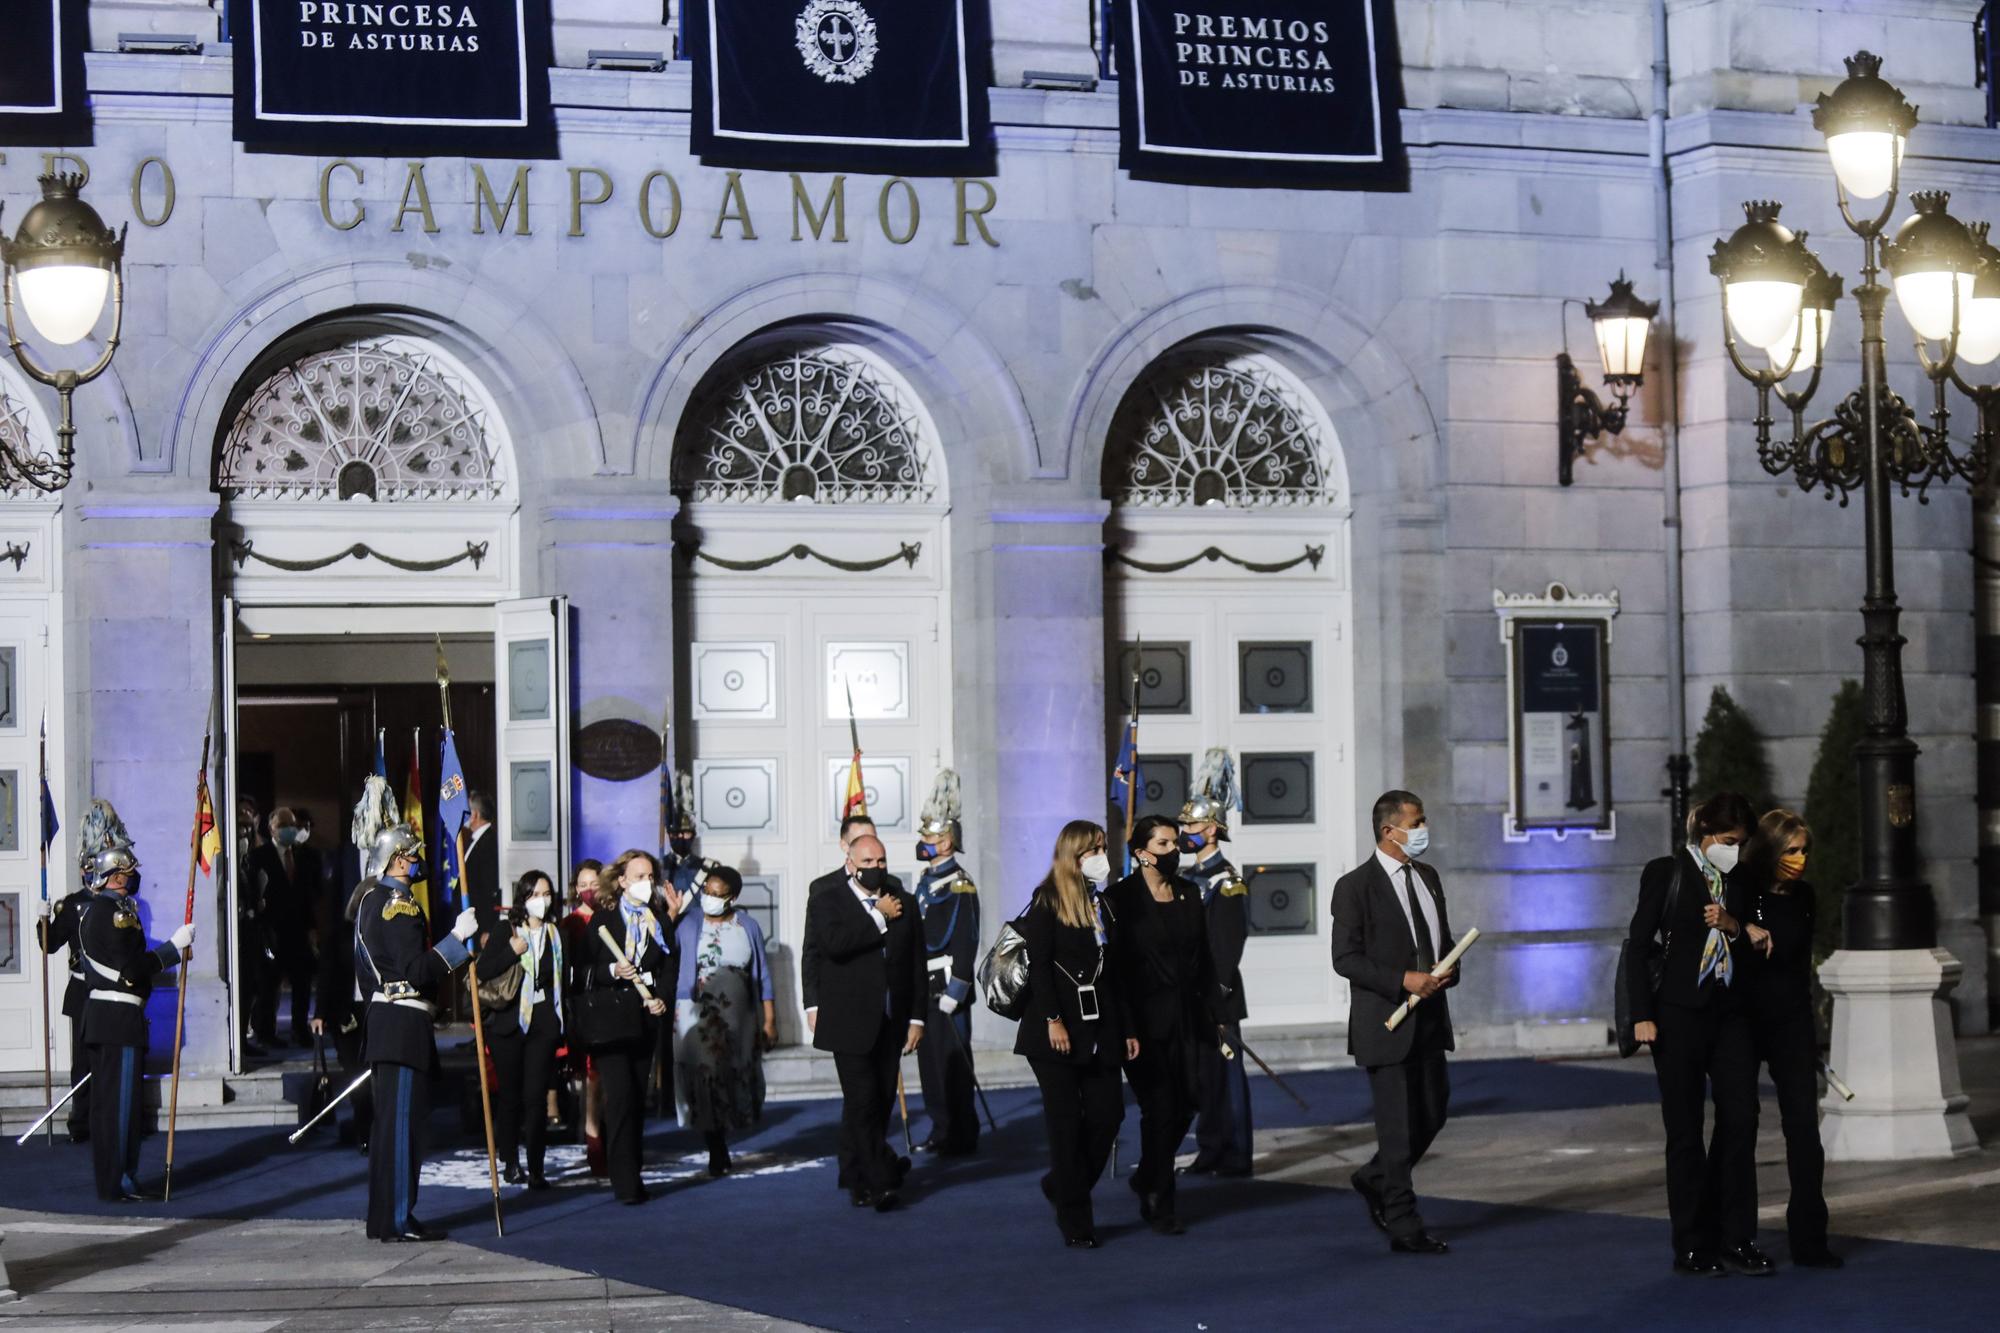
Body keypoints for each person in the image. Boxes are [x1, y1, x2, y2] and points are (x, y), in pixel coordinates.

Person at [1625, 792, 1769, 1277]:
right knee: (1684, 1130)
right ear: (1705, 832)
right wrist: (1641, 1014)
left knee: (1742, 1119)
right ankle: (1691, 1243)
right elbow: (1638, 944)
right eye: (1729, 841)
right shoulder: (1666, 873)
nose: (1735, 850)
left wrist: (1734, 925)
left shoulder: (1742, 880)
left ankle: (1737, 1237)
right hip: (1678, 1014)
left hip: (1730, 1013)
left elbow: (1752, 948)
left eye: (1741, 843)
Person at [1331, 789, 1461, 1256]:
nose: (1424, 830)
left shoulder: (1427, 875)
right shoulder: (1355, 886)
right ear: (1390, 830)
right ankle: (1404, 1223)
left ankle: (1373, 1177)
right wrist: (1403, 979)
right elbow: (1345, 958)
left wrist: (1448, 970)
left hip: (1429, 1019)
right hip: (1386, 1021)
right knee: (1397, 1128)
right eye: (1418, 822)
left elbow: (1439, 939)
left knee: (1433, 1111)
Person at [356, 824, 479, 1241]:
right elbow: (413, 972)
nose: (417, 859)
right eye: (411, 854)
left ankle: (385, 1218)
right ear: (396, 861)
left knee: (390, 1129)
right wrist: (457, 941)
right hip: (402, 1025)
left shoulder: (371, 899)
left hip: (389, 1024)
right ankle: (395, 1219)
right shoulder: (399, 904)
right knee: (402, 1132)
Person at [1018, 820, 1136, 1248]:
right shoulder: (1047, 900)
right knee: (1065, 1126)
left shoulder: (1103, 903)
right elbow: (1040, 967)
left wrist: (1126, 1029)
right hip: (1055, 1031)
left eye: (1104, 847)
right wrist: (1053, 1019)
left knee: (1108, 1116)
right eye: (1094, 850)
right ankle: (1077, 1222)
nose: (1102, 857)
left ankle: (1063, 1185)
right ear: (1074, 855)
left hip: (1101, 1028)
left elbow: (1116, 974)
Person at [1106, 813, 1224, 1236]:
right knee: (1160, 1108)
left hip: (1189, 1020)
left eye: (1175, 843)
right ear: (1141, 854)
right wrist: (1125, 1027)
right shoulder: (1119, 898)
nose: (1174, 851)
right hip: (1142, 1025)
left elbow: (1204, 960)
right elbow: (1115, 972)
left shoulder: (1190, 894)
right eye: (1163, 845)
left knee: (1190, 1101)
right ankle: (1159, 1197)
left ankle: (1148, 1174)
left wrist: (1217, 1014)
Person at [801, 832, 924, 1211]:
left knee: (881, 1100)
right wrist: (878, 917)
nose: (876, 868)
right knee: (863, 1100)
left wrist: (917, 1017)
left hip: (891, 1020)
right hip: (848, 1020)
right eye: (868, 862)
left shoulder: (904, 901)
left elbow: (915, 963)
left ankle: (857, 1174)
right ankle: (881, 1180)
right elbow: (833, 946)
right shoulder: (827, 901)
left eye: (882, 861)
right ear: (851, 863)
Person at [1742, 809, 1841, 1269]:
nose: (1800, 859)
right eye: (1791, 851)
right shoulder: (1742, 891)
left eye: (1804, 851)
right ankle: (1735, 1238)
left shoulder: (1804, 896)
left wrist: (1809, 1034)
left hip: (1791, 1021)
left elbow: (1799, 965)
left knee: (1804, 1130)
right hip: (1743, 1020)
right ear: (1770, 850)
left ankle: (1809, 1239)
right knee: (1737, 1128)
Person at [77, 844, 193, 1201]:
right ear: (115, 877)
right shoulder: (111, 913)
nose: (132, 878)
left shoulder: (110, 909)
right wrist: (173, 949)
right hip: (117, 1019)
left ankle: (118, 1178)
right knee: (119, 1109)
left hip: (113, 1019)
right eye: (127, 872)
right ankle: (118, 1181)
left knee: (115, 1107)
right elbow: (131, 970)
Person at [571, 849, 671, 1205]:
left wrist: (662, 1000)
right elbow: (580, 972)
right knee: (620, 1097)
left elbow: (668, 968)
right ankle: (624, 1180)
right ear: (623, 881)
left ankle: (633, 1169)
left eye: (650, 877)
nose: (646, 883)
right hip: (610, 1022)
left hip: (645, 1021)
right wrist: (611, 971)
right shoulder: (602, 921)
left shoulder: (658, 921)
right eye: (639, 877)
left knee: (637, 1099)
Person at [672, 863, 775, 1177]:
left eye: (719, 894)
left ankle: (724, 1135)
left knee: (732, 1077)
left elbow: (762, 976)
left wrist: (769, 1019)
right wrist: (671, 916)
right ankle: (716, 1148)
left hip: (737, 1017)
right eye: (707, 892)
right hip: (695, 1014)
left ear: (732, 898)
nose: (711, 898)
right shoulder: (687, 923)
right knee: (705, 1078)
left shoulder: (748, 925)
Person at [1180, 750, 1252, 1177]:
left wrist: (1215, 993)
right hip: (1191, 994)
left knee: (1225, 1078)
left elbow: (1227, 948)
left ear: (1211, 829)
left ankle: (1234, 1153)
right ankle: (1210, 1147)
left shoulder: (1227, 882)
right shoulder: (1188, 879)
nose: (1185, 831)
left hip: (1217, 995)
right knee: (1201, 1077)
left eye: (1190, 825)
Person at [476, 869, 565, 1190]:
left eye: (545, 894)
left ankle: (537, 1168)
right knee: (510, 1096)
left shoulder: (556, 934)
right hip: (509, 1023)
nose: (541, 901)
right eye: (534, 895)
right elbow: (482, 970)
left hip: (542, 1022)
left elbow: (560, 982)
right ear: (522, 899)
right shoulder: (507, 930)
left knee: (536, 1098)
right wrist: (510, 952)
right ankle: (510, 1161)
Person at [913, 770, 980, 1156]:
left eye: (931, 837)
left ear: (947, 840)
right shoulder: (927, 880)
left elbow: (966, 940)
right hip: (926, 986)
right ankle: (941, 1127)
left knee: (953, 1063)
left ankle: (961, 1131)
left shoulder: (960, 884)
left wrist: (958, 989)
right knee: (930, 1064)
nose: (924, 843)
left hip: (948, 989)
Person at [251, 806, 321, 1047]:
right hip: (272, 933)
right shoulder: (259, 857)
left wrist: (313, 929)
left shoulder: (307, 856)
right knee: (269, 985)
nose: (290, 830)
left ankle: (300, 1030)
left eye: (292, 824)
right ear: (271, 828)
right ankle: (266, 1033)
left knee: (302, 984)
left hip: (299, 932)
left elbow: (313, 895)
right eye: (283, 826)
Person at [38, 875, 96, 1142]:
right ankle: (82, 1121)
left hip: (113, 992)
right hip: (83, 991)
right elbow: (50, 945)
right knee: (82, 1061)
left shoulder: (121, 904)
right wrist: (43, 921)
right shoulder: (73, 905)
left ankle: (110, 1119)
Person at [562, 859, 606, 1176]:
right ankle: (595, 1147)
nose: (588, 889)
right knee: (590, 1080)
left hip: (612, 1005)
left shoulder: (613, 917)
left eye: (594, 883)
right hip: (583, 1008)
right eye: (582, 884)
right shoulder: (569, 924)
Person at [463, 791, 501, 933]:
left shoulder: (489, 843)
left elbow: (488, 889)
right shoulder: (476, 840)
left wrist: (487, 929)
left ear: (475, 814)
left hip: (480, 926)